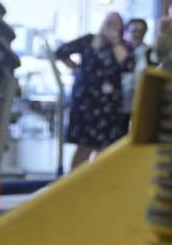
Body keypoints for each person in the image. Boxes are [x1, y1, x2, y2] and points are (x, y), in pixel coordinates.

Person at [55, 12, 134, 170]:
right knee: (85, 145)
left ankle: (97, 182)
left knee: (106, 146)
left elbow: (127, 65)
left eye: (116, 24)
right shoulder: (89, 40)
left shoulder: (123, 45)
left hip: (109, 103)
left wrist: (115, 42)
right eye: (109, 23)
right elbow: (61, 52)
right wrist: (76, 69)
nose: (111, 27)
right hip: (87, 100)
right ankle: (74, 182)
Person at [120, 17, 152, 128]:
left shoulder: (149, 52)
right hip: (119, 99)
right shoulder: (118, 50)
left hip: (140, 100)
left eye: (141, 31)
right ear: (127, 31)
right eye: (134, 31)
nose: (137, 34)